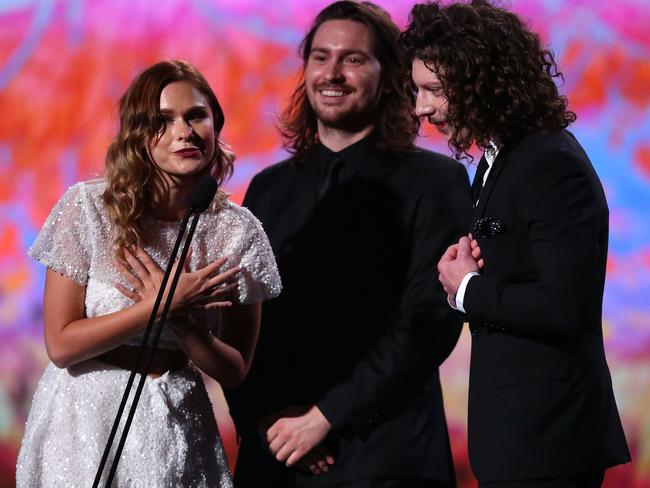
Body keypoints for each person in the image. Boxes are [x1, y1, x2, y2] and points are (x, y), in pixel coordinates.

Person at [224, 2, 472, 487]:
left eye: (353, 59)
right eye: (320, 57)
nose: (332, 73)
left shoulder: (435, 180)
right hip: (275, 455)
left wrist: (323, 418)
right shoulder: (267, 189)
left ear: (389, 76)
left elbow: (429, 321)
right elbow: (239, 317)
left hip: (386, 454)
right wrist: (268, 418)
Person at [16, 60, 281, 487]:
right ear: (139, 135)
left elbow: (234, 370)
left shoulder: (237, 230)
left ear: (215, 124)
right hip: (85, 416)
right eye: (164, 120)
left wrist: (186, 326)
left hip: (178, 413)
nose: (185, 132)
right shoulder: (86, 209)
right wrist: (160, 306)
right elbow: (62, 345)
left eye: (196, 115)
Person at [401, 1, 631, 486]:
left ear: (480, 81)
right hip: (518, 439)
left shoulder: (549, 163)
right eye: (416, 90)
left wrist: (466, 289)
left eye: (432, 91)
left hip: (551, 444)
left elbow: (566, 307)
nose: (420, 108)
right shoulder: (497, 160)